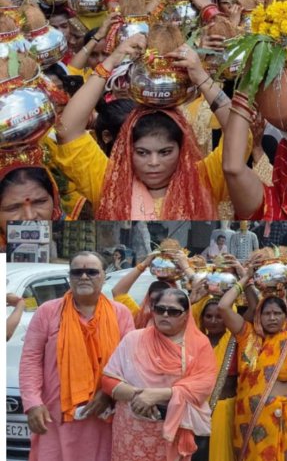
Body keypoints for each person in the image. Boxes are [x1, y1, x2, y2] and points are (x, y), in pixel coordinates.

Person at [54, 34, 233, 219]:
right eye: (142, 152)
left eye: (165, 152)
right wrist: (111, 61)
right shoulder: (109, 183)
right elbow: (67, 130)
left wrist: (201, 76)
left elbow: (239, 134)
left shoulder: (205, 180)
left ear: (182, 149)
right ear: (126, 148)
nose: (153, 163)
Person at [19, 251, 135, 461]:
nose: (83, 277)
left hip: (104, 413)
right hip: (55, 414)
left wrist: (108, 393)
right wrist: (33, 403)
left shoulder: (121, 313)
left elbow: (130, 363)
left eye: (91, 272)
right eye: (77, 272)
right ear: (69, 277)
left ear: (104, 276)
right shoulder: (48, 312)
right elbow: (31, 360)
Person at [218, 262, 287, 461]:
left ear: (286, 316)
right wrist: (245, 278)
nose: (272, 318)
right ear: (259, 315)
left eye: (277, 313)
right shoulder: (247, 335)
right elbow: (223, 306)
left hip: (280, 416)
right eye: (267, 313)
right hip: (248, 417)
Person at [102, 288, 216, 461]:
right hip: (132, 431)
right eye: (159, 309)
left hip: (173, 431)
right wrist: (138, 395)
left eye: (173, 311)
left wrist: (158, 395)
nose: (165, 315)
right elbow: (108, 380)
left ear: (186, 314)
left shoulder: (198, 344)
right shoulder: (133, 339)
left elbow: (204, 384)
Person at [197, 297, 237, 461]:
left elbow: (253, 308)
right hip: (197, 410)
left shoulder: (235, 340)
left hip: (224, 410)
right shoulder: (196, 343)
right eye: (208, 316)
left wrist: (245, 280)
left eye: (219, 316)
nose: (213, 321)